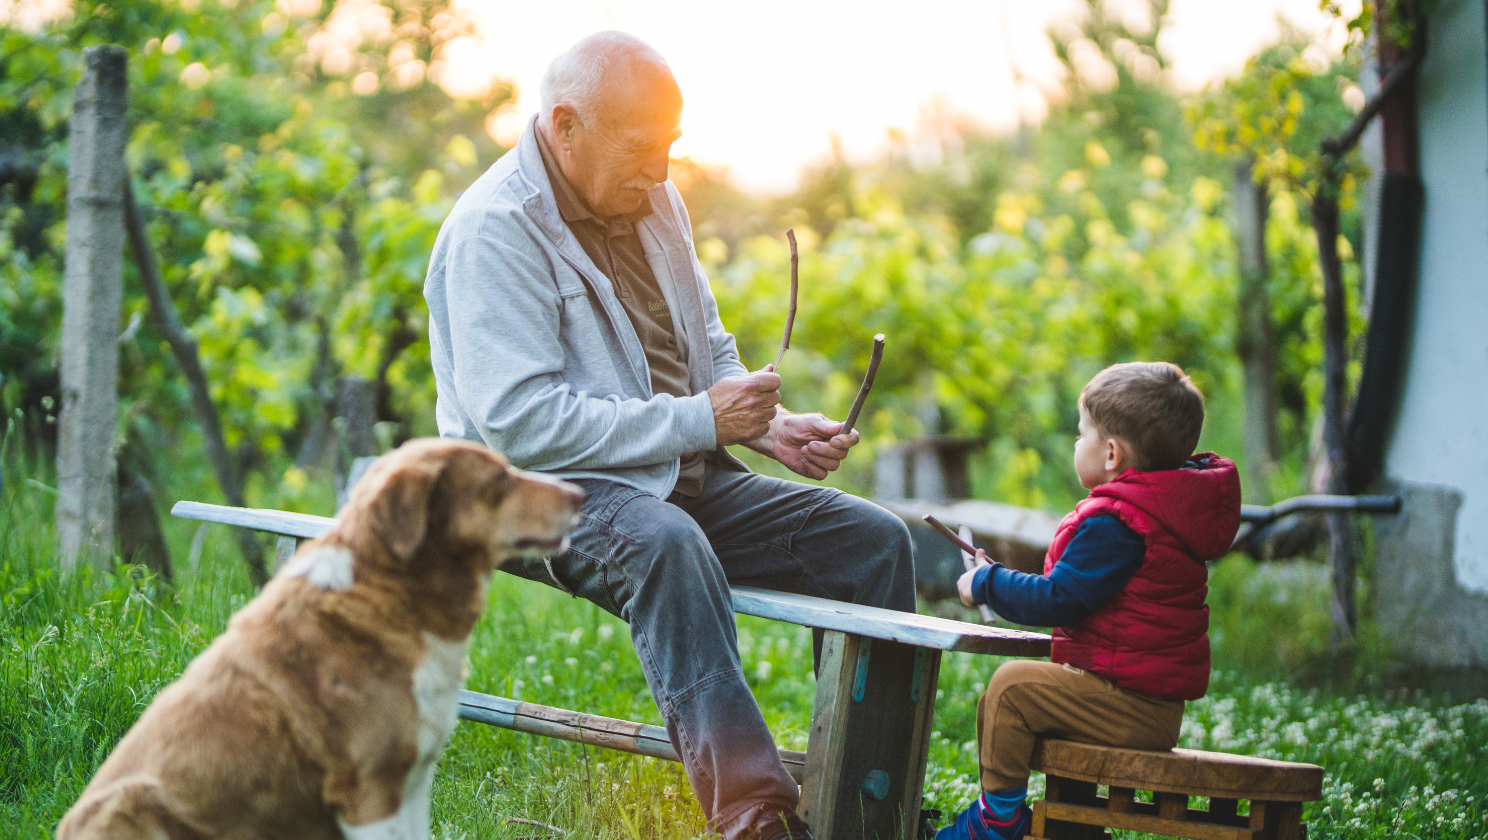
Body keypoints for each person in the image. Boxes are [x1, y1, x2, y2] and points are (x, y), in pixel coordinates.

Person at [423, 31, 916, 840]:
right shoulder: (494, 230)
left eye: (670, 149)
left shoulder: (655, 199)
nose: (660, 172)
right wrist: (699, 420)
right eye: (642, 150)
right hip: (533, 493)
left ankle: (871, 807)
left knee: (874, 544)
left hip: (674, 475)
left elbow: (704, 344)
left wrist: (773, 431)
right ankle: (754, 817)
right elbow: (521, 425)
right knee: (667, 544)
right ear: (566, 124)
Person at [935, 362, 1240, 840]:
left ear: (1112, 453)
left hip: (1130, 706)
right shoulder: (1155, 512)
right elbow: (1084, 594)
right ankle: (1072, 827)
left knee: (1013, 689)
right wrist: (1001, 576)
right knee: (1033, 689)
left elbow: (1061, 600)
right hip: (1144, 702)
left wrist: (987, 584)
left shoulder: (1119, 523)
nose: (1077, 444)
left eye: (1082, 435)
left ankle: (997, 821)